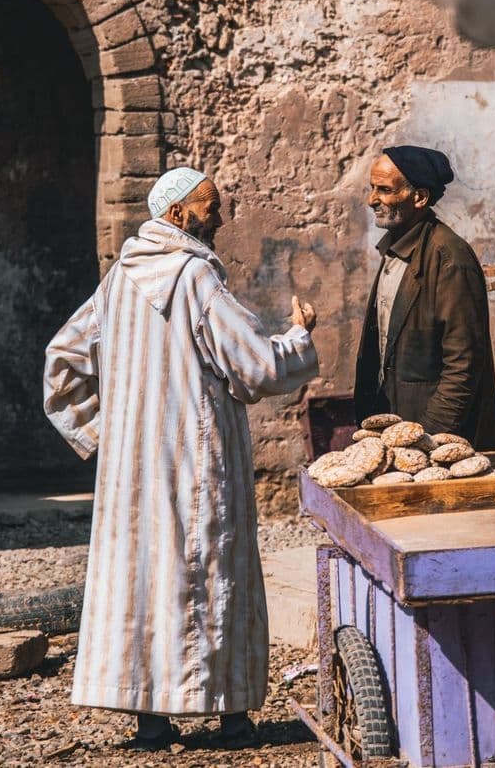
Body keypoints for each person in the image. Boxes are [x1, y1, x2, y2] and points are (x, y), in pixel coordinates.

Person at [43, 167, 318, 750]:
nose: (221, 216)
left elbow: (62, 362)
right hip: (198, 462)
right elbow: (256, 367)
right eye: (210, 206)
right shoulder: (194, 276)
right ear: (176, 215)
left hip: (134, 475)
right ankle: (232, 718)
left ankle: (152, 721)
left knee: (145, 580)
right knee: (211, 572)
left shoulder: (119, 278)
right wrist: (298, 335)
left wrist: (110, 436)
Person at [354, 145, 495, 449]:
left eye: (384, 190)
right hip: (399, 433)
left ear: (419, 197)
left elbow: (463, 365)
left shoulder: (449, 258)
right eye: (372, 188)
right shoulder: (395, 251)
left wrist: (428, 441)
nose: (372, 200)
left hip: (436, 441)